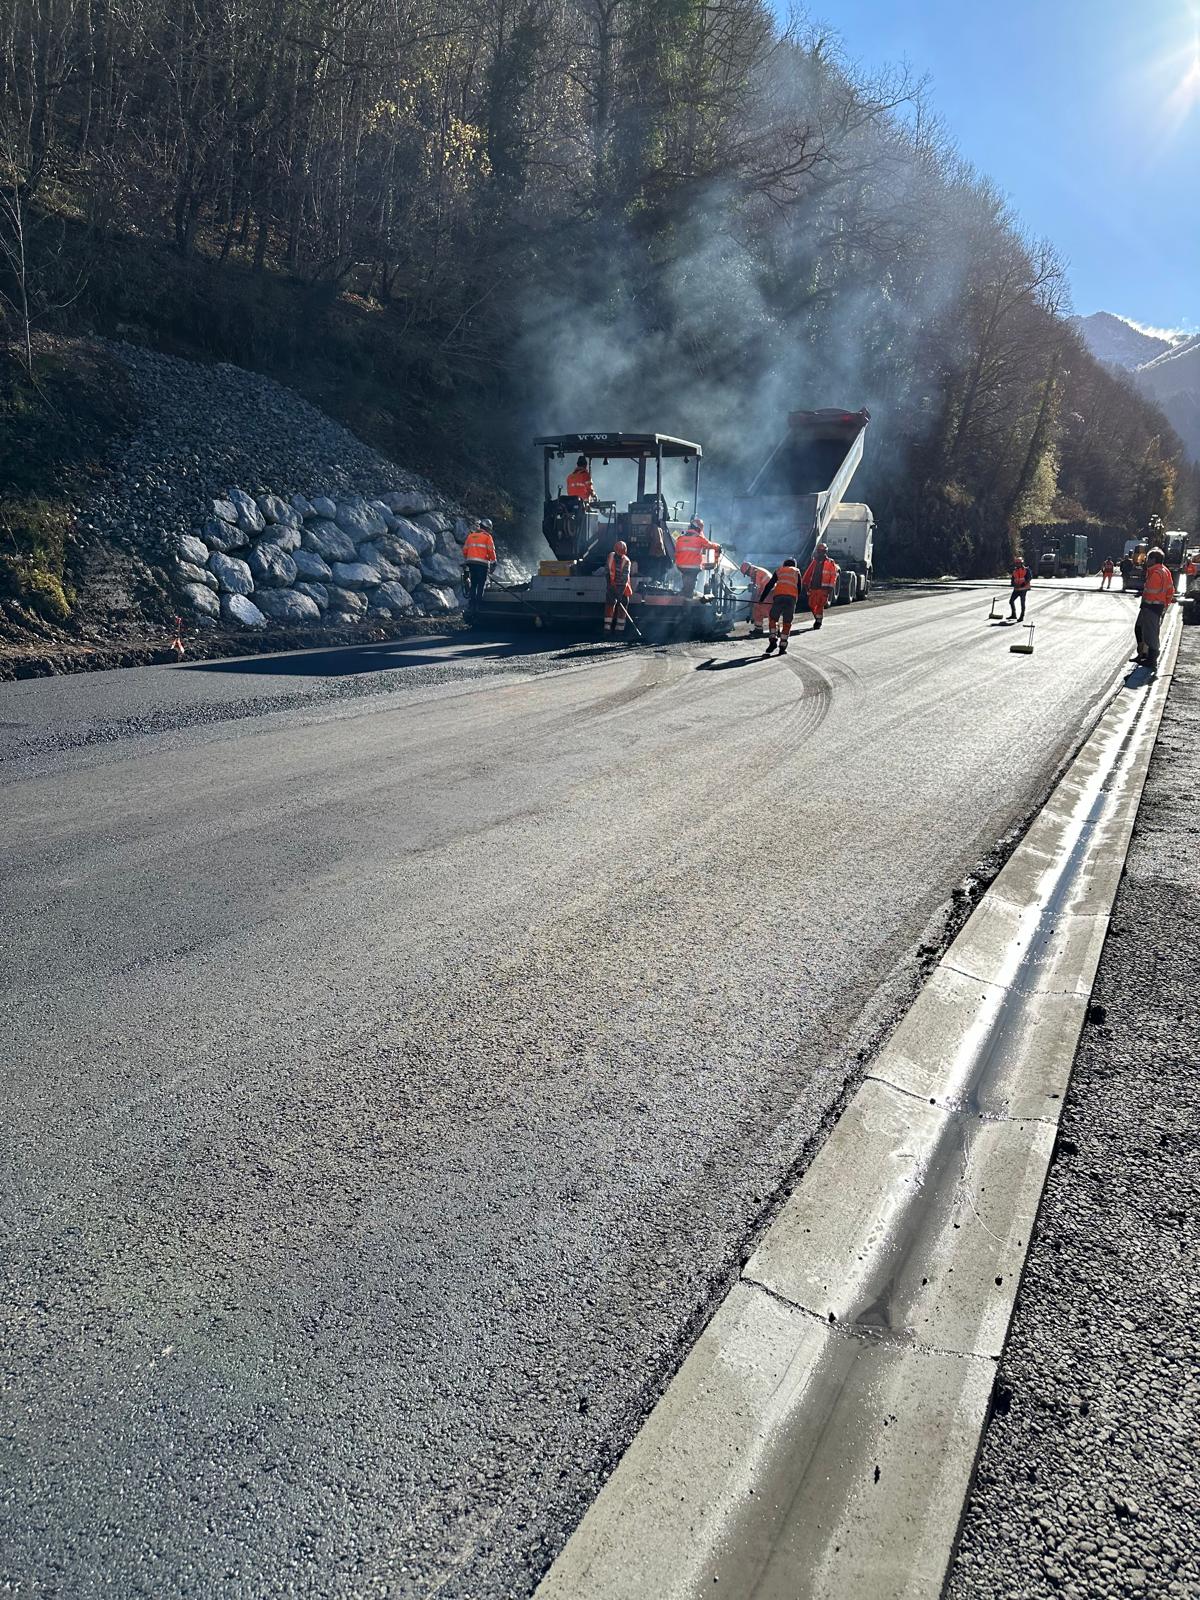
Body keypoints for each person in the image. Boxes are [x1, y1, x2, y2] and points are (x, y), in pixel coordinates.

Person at [1133, 547, 1175, 674]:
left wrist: (1151, 604)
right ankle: (1143, 654)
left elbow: (1151, 592)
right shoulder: (1164, 571)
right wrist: (1165, 605)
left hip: (1150, 607)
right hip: (1154, 606)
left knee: (1150, 634)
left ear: (1153, 559)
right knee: (1140, 628)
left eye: (1148, 558)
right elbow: (1170, 590)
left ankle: (1151, 659)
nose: (1146, 560)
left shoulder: (1156, 573)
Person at [757, 558, 801, 655]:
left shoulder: (779, 570)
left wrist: (762, 599)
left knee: (773, 619)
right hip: (791, 599)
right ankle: (783, 646)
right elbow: (799, 588)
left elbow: (769, 585)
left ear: (784, 564)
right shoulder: (796, 571)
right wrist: (795, 602)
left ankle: (773, 639)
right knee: (787, 622)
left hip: (779, 597)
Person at [674, 515, 722, 597]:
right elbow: (710, 545)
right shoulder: (699, 539)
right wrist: (718, 546)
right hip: (693, 567)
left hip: (681, 566)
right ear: (699, 529)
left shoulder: (680, 538)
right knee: (691, 584)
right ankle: (687, 599)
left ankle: (684, 592)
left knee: (686, 580)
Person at [802, 542, 840, 630]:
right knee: (811, 604)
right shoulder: (814, 561)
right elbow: (809, 572)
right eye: (819, 551)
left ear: (825, 552)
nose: (821, 553)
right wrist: (805, 583)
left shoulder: (830, 562)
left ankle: (818, 621)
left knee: (819, 605)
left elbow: (833, 575)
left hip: (824, 588)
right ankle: (817, 618)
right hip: (813, 587)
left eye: (822, 551)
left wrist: (830, 588)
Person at [462, 518, 497, 605]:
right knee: (481, 585)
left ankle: (472, 604)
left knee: (473, 584)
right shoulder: (487, 537)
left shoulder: (471, 536)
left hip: (471, 564)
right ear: (487, 528)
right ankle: (478, 605)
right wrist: (494, 561)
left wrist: (469, 559)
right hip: (482, 565)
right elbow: (491, 551)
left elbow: (465, 551)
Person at [606, 540, 633, 633]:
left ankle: (619, 630)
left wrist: (619, 593)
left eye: (622, 553)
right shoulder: (610, 557)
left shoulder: (626, 561)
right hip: (612, 586)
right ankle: (607, 629)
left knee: (622, 608)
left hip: (623, 588)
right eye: (619, 552)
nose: (620, 555)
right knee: (609, 606)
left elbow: (624, 579)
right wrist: (610, 586)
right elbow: (607, 573)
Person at [740, 559, 772, 636]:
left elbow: (757, 590)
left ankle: (774, 629)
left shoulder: (757, 573)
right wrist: (752, 602)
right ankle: (758, 628)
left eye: (747, 574)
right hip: (766, 593)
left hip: (770, 592)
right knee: (757, 607)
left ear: (749, 569)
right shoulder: (755, 573)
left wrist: (752, 601)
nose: (747, 575)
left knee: (768, 610)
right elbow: (755, 591)